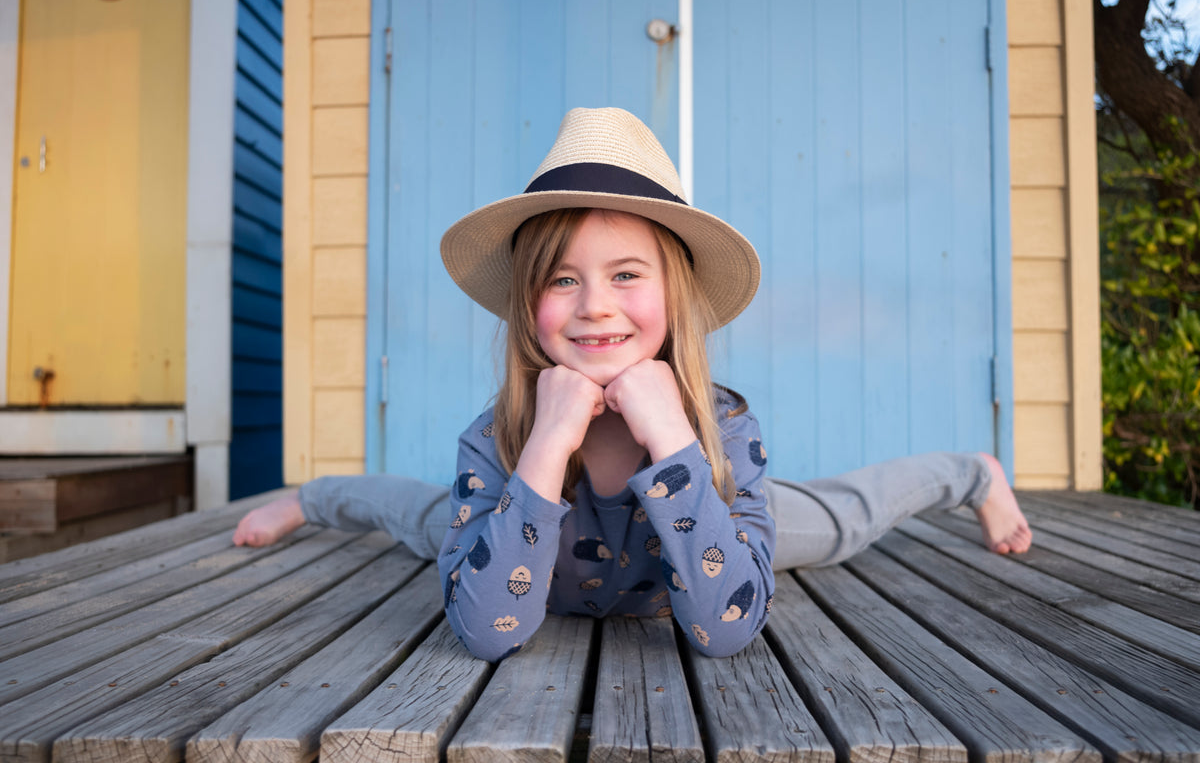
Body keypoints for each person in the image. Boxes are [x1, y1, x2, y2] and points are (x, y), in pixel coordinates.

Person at [234, 107, 1032, 662]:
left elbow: (725, 632)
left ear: (675, 296)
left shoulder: (726, 434)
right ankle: (307, 498)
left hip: (709, 526)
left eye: (625, 274)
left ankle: (974, 473)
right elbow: (487, 631)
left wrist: (675, 440)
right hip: (522, 509)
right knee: (413, 513)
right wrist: (547, 443)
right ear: (528, 307)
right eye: (562, 281)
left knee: (844, 519)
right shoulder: (495, 441)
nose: (596, 307)